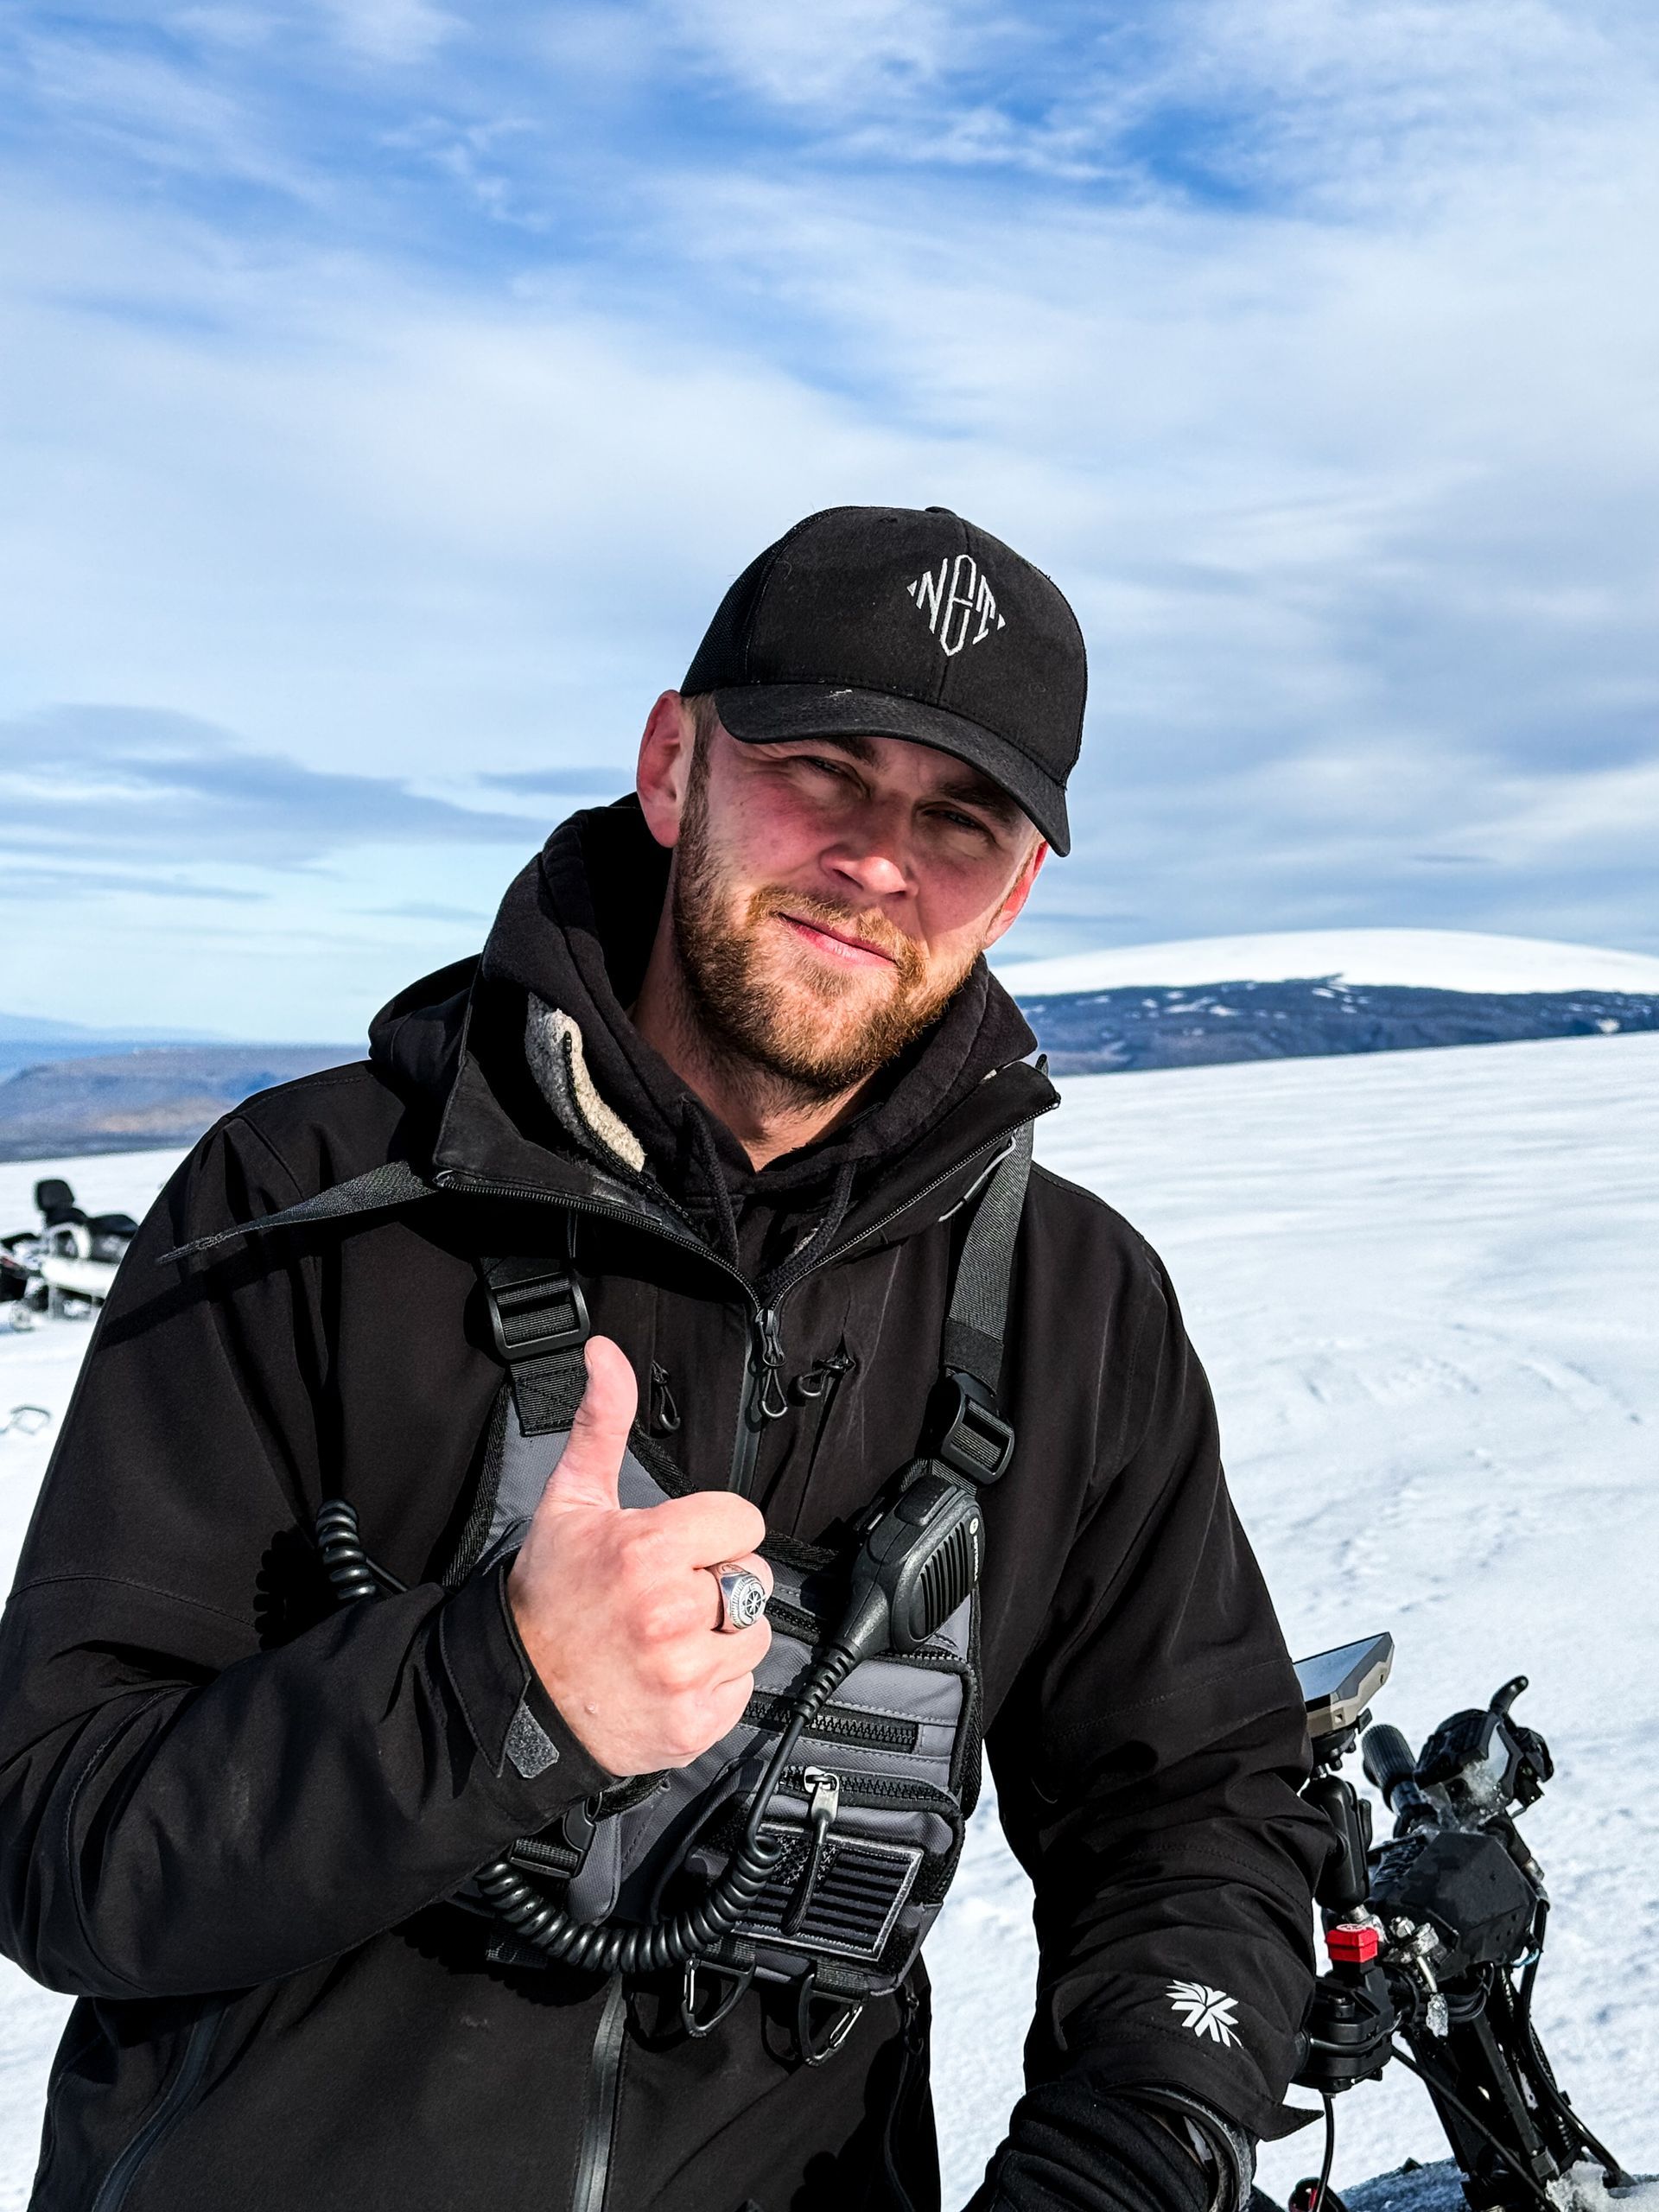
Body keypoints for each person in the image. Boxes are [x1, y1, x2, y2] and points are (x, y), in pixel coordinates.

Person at [0, 506, 1326, 2212]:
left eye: (957, 818)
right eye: (824, 772)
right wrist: (495, 1690)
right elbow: (57, 1834)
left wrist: (1138, 2138)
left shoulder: (1073, 1307)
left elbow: (1201, 1804)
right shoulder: (299, 1213)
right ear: (673, 761)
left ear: (1016, 888)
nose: (876, 860)